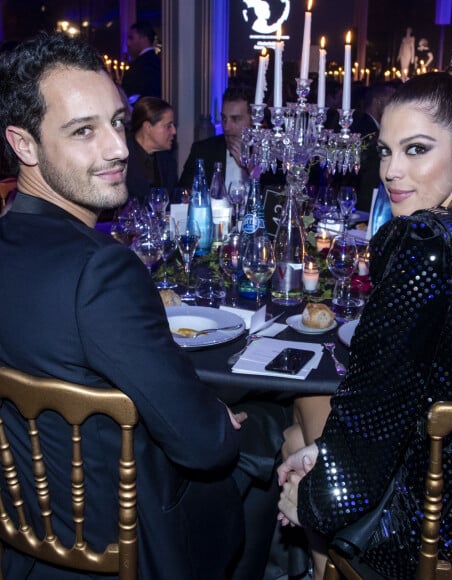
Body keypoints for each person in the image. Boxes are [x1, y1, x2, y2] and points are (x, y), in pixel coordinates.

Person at [278, 60, 452, 578]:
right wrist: (322, 453)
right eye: (385, 150)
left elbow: (371, 406)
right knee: (305, 438)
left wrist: (313, 500)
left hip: (435, 527)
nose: (390, 171)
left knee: (296, 462)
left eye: (417, 149)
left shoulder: (425, 244)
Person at [0, 32, 244, 579]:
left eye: (115, 121)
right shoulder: (103, 271)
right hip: (129, 549)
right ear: (24, 144)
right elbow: (205, 447)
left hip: (25, 539)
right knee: (256, 457)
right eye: (83, 131)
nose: (117, 147)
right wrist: (220, 422)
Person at [179, 87, 253, 192]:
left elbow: (274, 196)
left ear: (254, 120)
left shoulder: (268, 154)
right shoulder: (203, 151)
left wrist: (249, 167)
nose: (226, 127)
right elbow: (182, 194)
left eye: (235, 119)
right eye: (224, 119)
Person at [349, 82, 397, 212]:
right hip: (363, 199)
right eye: (391, 100)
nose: (395, 106)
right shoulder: (363, 128)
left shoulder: (380, 128)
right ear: (377, 102)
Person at [126, 96, 178, 204]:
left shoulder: (168, 161)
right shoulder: (122, 159)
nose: (174, 131)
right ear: (148, 127)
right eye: (168, 126)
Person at [121, 19, 162, 104]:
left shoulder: (147, 64)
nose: (128, 43)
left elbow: (151, 97)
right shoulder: (154, 61)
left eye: (131, 38)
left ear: (144, 39)